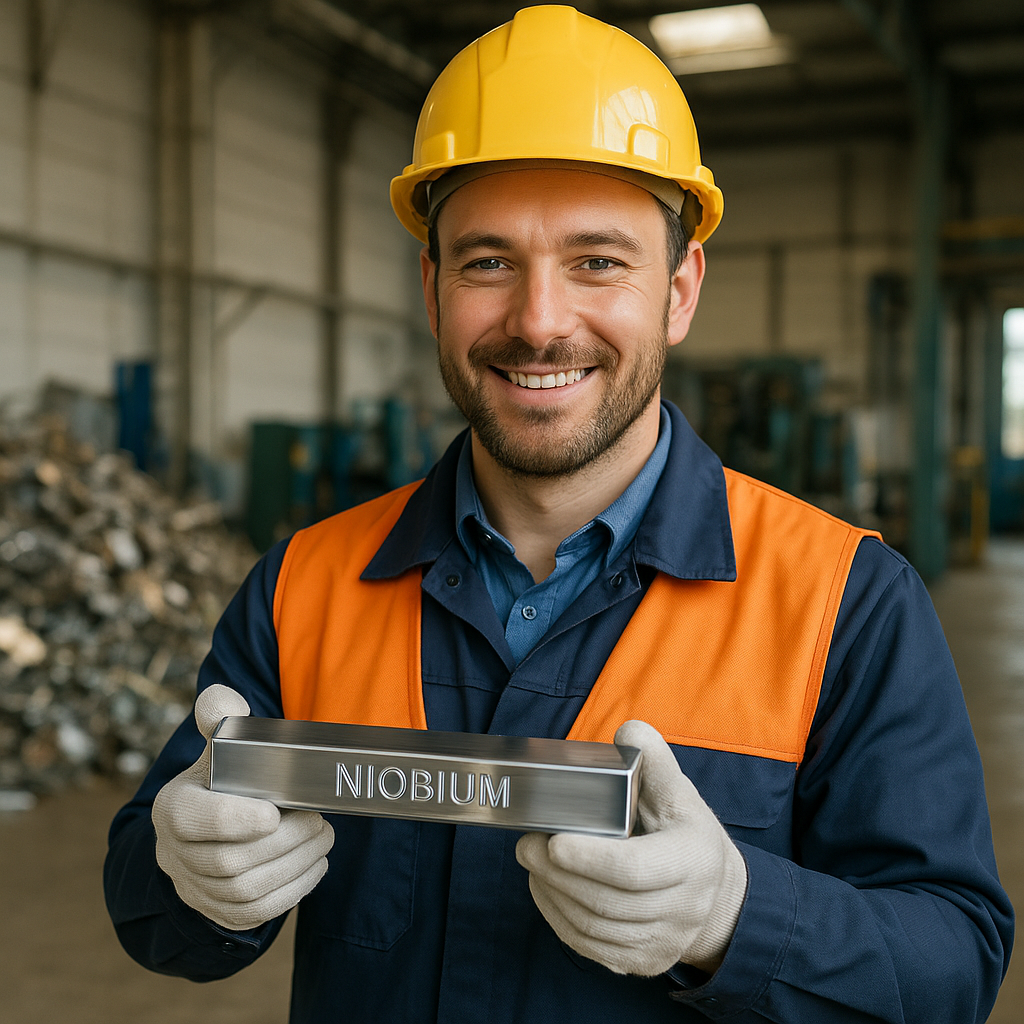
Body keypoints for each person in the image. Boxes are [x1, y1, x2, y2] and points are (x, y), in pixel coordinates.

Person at [104, 6, 1012, 1021]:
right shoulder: (302, 586)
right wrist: (188, 873)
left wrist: (735, 918)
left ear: (678, 289)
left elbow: (951, 964)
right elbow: (153, 913)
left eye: (597, 260)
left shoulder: (844, 602)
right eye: (489, 260)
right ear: (432, 286)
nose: (539, 322)